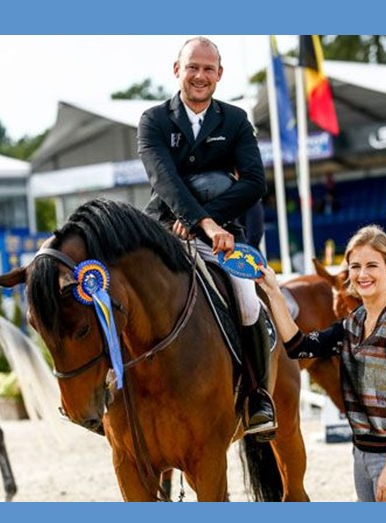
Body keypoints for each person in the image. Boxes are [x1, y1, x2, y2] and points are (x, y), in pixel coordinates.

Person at [138, 36, 275, 435]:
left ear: (219, 74)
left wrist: (206, 221)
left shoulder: (235, 120)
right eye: (192, 67)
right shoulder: (154, 120)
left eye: (208, 69)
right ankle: (113, 390)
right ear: (177, 70)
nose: (200, 76)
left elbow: (254, 182)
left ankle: (256, 397)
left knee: (247, 302)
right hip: (163, 229)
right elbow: (165, 179)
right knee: (124, 290)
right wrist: (198, 219)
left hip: (222, 235)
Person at [258, 225, 386, 502]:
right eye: (355, 266)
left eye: (371, 265)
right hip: (362, 456)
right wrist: (274, 292)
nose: (362, 274)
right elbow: (299, 346)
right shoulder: (352, 323)